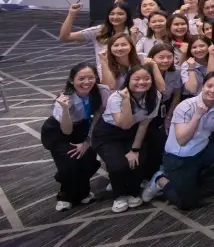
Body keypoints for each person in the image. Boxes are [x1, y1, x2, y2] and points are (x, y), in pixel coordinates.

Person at [144, 71, 214, 209]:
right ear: (203, 86)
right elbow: (182, 140)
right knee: (187, 203)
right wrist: (197, 115)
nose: (213, 90)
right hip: (179, 156)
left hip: (202, 150)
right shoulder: (185, 106)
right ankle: (160, 180)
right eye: (209, 86)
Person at [92, 63, 161, 213]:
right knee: (118, 165)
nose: (142, 82)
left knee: (137, 160)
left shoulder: (155, 96)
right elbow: (124, 124)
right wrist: (126, 100)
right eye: (137, 79)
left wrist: (134, 149)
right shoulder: (116, 97)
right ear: (128, 80)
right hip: (109, 133)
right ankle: (119, 196)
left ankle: (133, 192)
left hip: (134, 132)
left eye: (146, 79)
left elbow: (143, 125)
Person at [42, 63, 105, 211]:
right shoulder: (65, 98)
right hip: (58, 132)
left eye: (91, 77)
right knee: (70, 163)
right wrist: (65, 110)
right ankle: (65, 195)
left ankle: (83, 192)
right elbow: (66, 130)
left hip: (85, 128)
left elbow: (97, 116)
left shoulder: (101, 91)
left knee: (89, 160)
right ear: (72, 80)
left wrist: (87, 142)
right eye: (81, 78)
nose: (86, 82)